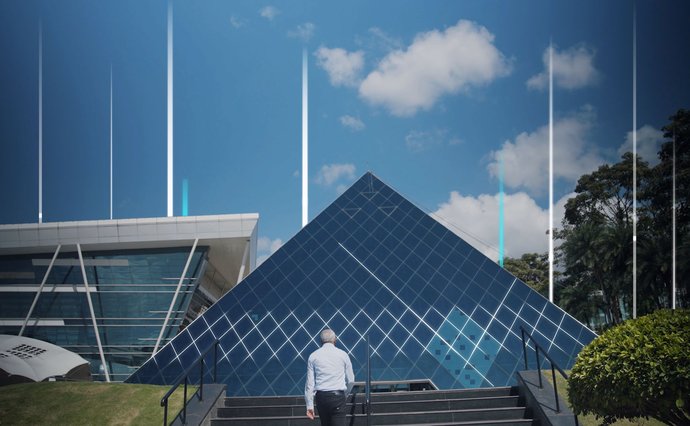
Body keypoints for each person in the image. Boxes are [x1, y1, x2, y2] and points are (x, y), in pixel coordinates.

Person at [304, 329, 355, 426]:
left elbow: (309, 384)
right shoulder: (343, 355)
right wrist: (345, 394)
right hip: (338, 397)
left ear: (321, 341)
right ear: (335, 339)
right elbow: (351, 380)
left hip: (321, 398)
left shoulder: (313, 356)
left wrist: (309, 405)